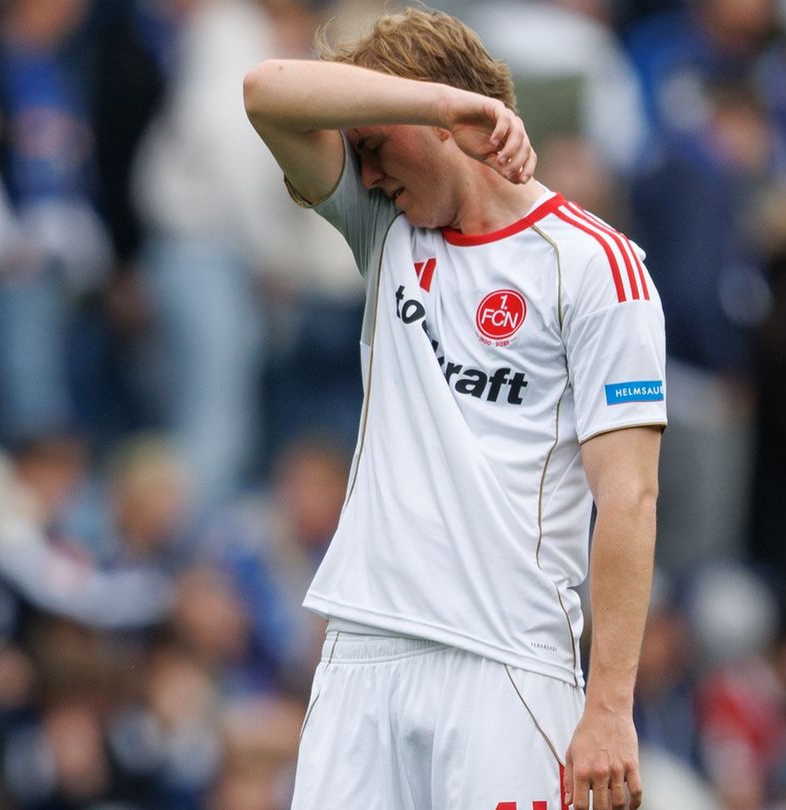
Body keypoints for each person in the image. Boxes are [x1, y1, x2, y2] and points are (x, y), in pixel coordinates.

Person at [242, 9, 666, 810]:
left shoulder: (596, 266)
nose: (363, 174)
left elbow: (631, 497)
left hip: (505, 664)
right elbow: (265, 91)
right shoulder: (386, 229)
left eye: (371, 144)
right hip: (362, 652)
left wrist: (609, 707)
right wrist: (438, 107)